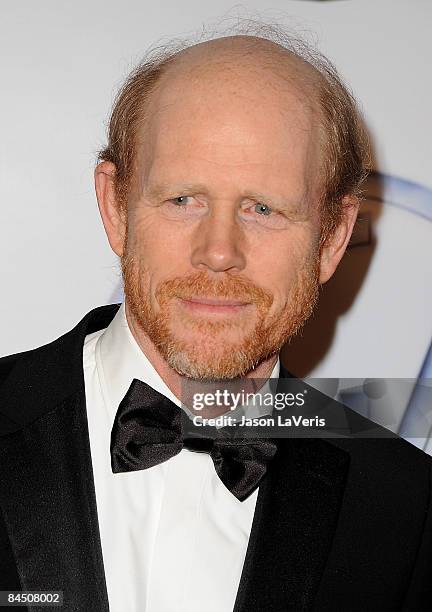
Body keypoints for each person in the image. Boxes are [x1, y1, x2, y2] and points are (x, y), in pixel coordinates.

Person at [1, 26, 431, 612]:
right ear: (116, 207)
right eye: (183, 200)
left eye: (263, 208)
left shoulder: (404, 506)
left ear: (332, 238)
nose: (220, 251)